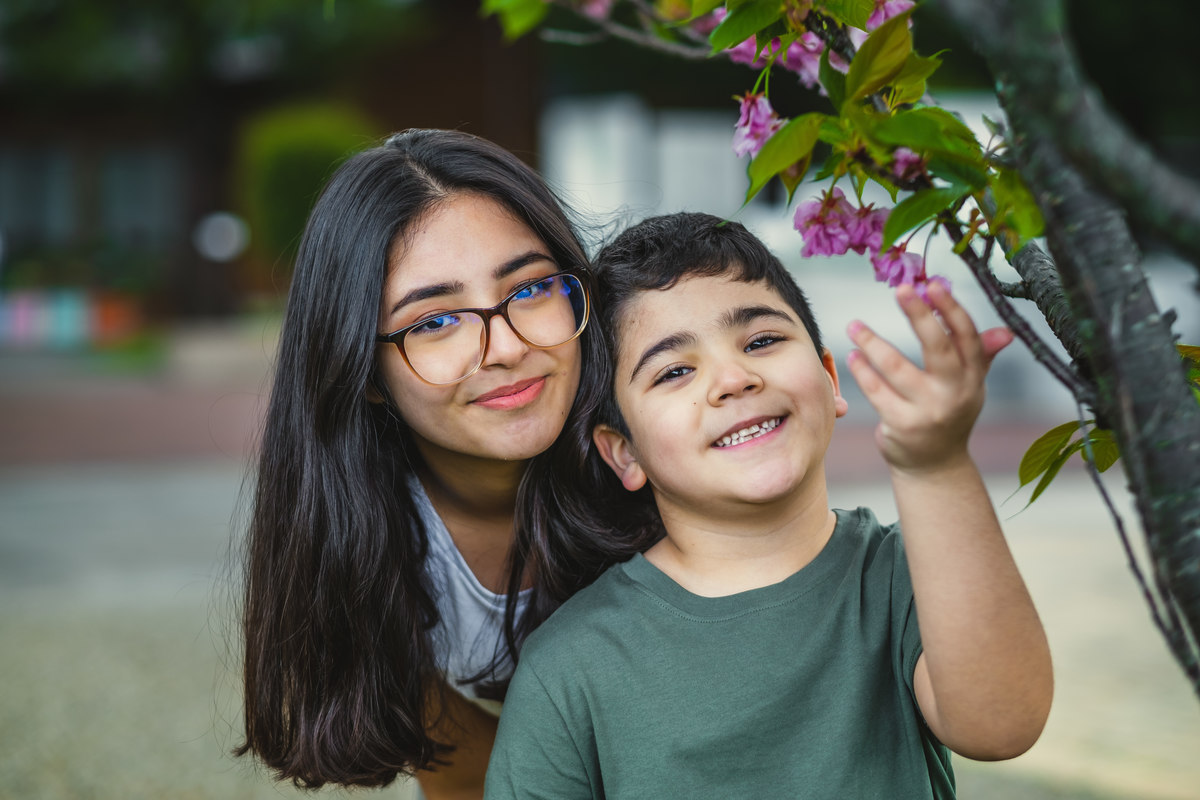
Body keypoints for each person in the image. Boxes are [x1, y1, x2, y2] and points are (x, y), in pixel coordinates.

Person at [484, 212, 1054, 799]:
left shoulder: (910, 580)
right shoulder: (570, 665)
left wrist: (937, 466)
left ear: (829, 378)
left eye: (761, 341)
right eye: (674, 371)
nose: (734, 378)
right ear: (625, 453)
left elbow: (1001, 725)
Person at [235, 129, 652, 797]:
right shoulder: (369, 544)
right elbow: (471, 782)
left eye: (530, 288)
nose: (505, 348)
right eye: (433, 322)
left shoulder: (657, 456)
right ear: (364, 371)